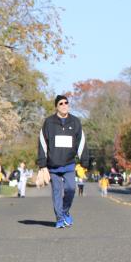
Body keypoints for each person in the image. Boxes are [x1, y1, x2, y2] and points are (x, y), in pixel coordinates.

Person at [36, 94, 88, 229]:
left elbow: (81, 142)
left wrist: (84, 161)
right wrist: (42, 164)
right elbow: (42, 143)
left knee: (71, 189)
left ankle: (65, 211)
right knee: (57, 192)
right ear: (56, 107)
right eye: (61, 103)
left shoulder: (75, 122)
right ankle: (59, 218)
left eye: (66, 103)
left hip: (69, 164)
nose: (64, 105)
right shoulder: (49, 122)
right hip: (53, 165)